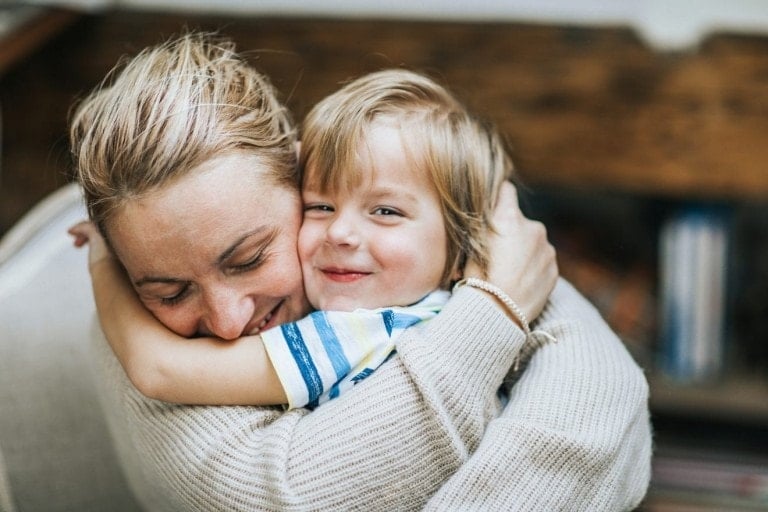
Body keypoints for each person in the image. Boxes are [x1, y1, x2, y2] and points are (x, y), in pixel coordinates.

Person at [69, 33, 651, 510]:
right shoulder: (130, 327)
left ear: (300, 173)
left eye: (248, 259)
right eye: (168, 291)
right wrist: (493, 312)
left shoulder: (382, 290)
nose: (225, 323)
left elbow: (606, 392)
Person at [71, 68, 557, 410]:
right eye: (321, 206)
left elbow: (158, 371)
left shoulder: (357, 333)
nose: (226, 325)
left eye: (249, 258)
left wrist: (100, 261)